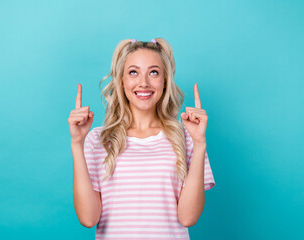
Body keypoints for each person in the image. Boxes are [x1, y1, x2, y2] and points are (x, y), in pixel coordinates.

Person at [68, 38, 215, 239]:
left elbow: (188, 218)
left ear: (165, 81)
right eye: (133, 72)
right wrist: (77, 144)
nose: (143, 82)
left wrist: (200, 144)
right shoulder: (98, 139)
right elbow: (88, 219)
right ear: (121, 80)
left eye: (153, 72)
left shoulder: (188, 137)